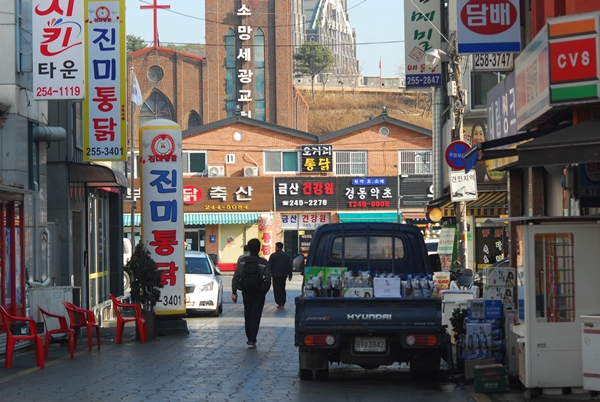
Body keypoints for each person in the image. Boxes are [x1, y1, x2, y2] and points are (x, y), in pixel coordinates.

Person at [231, 238, 271, 349]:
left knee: (247, 314)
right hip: (259, 293)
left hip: (246, 292)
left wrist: (234, 291)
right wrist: (264, 291)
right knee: (256, 315)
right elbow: (268, 279)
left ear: (248, 248)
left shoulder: (242, 261)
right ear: (259, 249)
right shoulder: (263, 263)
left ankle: (249, 337)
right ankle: (252, 339)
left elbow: (236, 276)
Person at [268, 242, 293, 309]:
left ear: (277, 247)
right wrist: (290, 274)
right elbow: (289, 266)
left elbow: (270, 266)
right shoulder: (286, 255)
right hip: (283, 275)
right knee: (282, 288)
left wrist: (268, 274)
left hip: (275, 275)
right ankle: (282, 302)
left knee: (277, 289)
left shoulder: (273, 255)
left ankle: (279, 302)